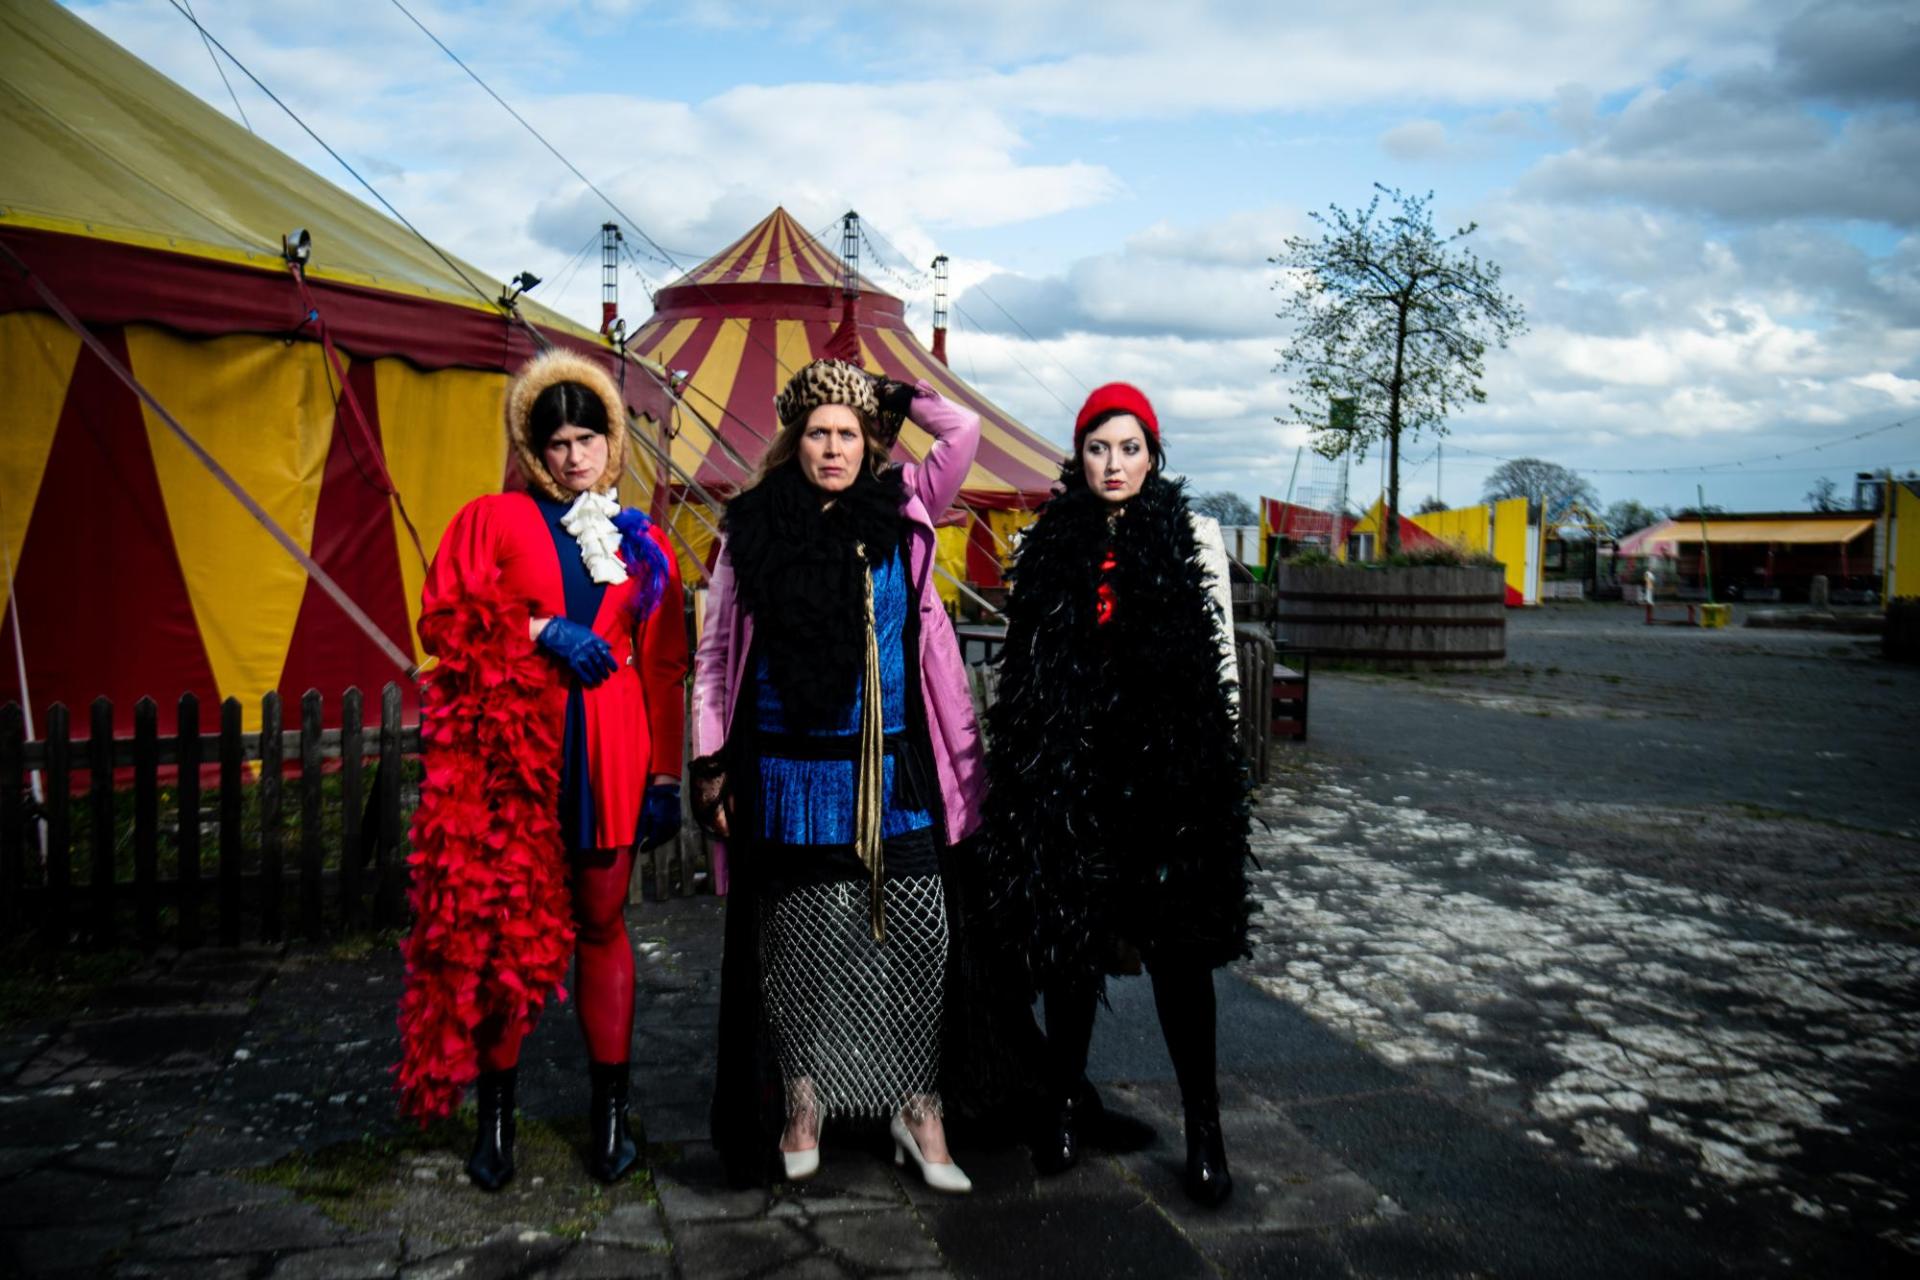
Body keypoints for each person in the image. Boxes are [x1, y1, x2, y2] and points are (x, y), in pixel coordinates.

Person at [395, 348, 688, 1192]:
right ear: (534, 447)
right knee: (505, 937)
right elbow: (441, 619)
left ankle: (609, 1120)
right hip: (514, 759)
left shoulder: (648, 545)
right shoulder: (491, 519)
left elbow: (665, 667)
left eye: (587, 437)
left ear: (612, 443)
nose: (572, 455)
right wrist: (535, 634)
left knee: (601, 926)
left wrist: (665, 777)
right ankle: (495, 1125)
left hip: (613, 754)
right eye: (555, 440)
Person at [690, 359, 987, 1193]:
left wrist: (896, 395)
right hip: (786, 769)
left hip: (893, 765)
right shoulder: (750, 529)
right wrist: (711, 760)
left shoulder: (904, 506)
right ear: (795, 441)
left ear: (870, 442)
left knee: (924, 933)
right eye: (818, 431)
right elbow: (715, 658)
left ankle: (916, 1105)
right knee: (800, 949)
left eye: (849, 433)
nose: (833, 447)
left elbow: (963, 432)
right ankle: (804, 1098)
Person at [984, 381, 1252, 1206]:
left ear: (1153, 454)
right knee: (1070, 948)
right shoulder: (1047, 539)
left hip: (1168, 779)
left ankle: (1204, 1127)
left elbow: (1222, 663)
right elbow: (1023, 667)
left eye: (1129, 448)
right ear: (1079, 455)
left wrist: (1218, 770)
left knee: (1180, 957)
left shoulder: (1194, 538)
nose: (1114, 464)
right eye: (1099, 448)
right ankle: (1063, 1103)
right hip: (1079, 776)